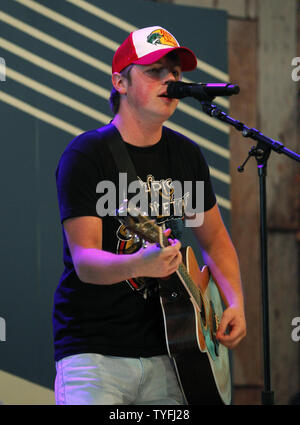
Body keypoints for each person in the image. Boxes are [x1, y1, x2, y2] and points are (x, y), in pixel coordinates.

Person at [53, 25, 246, 405]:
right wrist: (140, 264)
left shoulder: (187, 155)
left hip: (175, 353)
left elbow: (216, 240)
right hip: (96, 354)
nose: (170, 79)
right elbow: (86, 262)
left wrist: (235, 302)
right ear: (120, 83)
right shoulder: (87, 155)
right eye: (154, 70)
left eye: (174, 72)